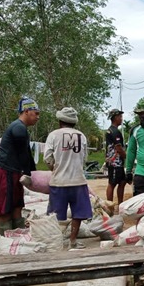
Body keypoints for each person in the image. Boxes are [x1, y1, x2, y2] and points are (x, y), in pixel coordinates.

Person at [43, 107, 93, 250]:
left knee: (56, 216)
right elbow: (84, 158)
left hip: (59, 182)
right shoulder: (81, 136)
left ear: (60, 121)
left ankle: (57, 243)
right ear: (74, 122)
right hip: (78, 181)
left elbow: (47, 158)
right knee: (78, 213)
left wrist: (54, 168)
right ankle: (73, 241)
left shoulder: (53, 135)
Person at [0, 97, 40, 235]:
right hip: (4, 171)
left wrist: (32, 172)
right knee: (5, 209)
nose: (38, 117)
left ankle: (18, 241)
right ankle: (5, 241)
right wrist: (27, 172)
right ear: (26, 111)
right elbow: (22, 153)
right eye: (36, 113)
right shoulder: (18, 127)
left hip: (14, 172)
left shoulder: (21, 128)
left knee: (17, 206)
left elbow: (27, 153)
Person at [105, 108, 126, 208]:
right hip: (115, 162)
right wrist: (126, 156)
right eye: (120, 117)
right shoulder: (114, 132)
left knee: (122, 182)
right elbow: (118, 148)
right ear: (115, 118)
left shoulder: (112, 130)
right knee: (112, 183)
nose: (121, 119)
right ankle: (110, 206)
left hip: (118, 162)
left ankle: (120, 204)